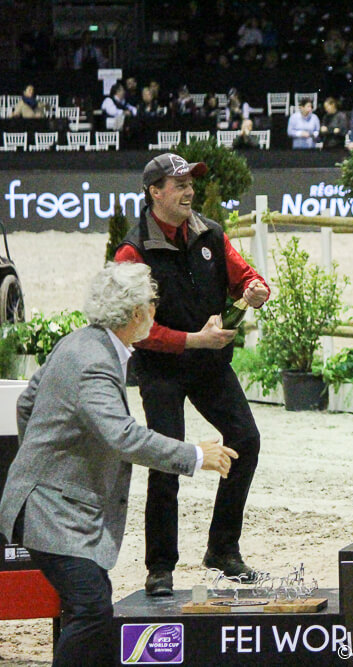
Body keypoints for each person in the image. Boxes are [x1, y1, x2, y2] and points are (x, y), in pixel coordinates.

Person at [0, 262, 236, 667]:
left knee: (92, 604)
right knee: (92, 609)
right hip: (49, 511)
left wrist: (43, 458)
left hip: (48, 502)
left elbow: (27, 403)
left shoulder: (79, 342)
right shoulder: (94, 361)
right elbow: (123, 436)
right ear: (136, 313)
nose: (156, 308)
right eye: (152, 302)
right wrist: (196, 455)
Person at [113, 153, 270, 596]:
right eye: (179, 184)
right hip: (160, 369)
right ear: (155, 192)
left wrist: (254, 288)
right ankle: (160, 567)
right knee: (167, 462)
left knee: (246, 440)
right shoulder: (132, 252)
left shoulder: (210, 233)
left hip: (209, 365)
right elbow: (134, 328)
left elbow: (245, 275)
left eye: (190, 183)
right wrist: (193, 340)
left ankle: (222, 549)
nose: (189, 191)